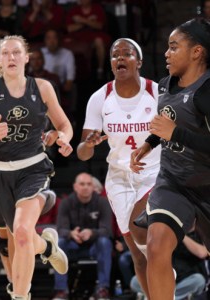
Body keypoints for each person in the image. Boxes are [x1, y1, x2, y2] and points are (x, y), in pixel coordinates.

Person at [0, 35, 73, 300]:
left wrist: (63, 138)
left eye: (16, 53)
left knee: (21, 232)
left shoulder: (42, 87)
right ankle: (46, 246)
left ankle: (21, 296)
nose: (11, 57)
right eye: (6, 53)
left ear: (26, 58)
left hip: (33, 169)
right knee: (18, 238)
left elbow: (64, 125)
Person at [130, 18, 210, 300]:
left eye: (174, 47)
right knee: (156, 246)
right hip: (174, 182)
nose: (167, 53)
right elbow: (168, 123)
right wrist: (149, 144)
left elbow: (176, 130)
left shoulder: (206, 90)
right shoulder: (165, 85)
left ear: (197, 52)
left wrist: (175, 134)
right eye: (167, 47)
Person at [78, 38, 159, 298]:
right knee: (137, 254)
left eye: (127, 54)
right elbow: (82, 153)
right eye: (115, 55)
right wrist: (89, 144)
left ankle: (166, 272)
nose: (120, 58)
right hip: (119, 178)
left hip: (154, 173)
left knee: (139, 228)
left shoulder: (157, 93)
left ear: (140, 61)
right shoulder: (100, 98)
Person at [52, 173, 114, 300]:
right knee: (59, 243)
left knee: (105, 242)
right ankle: (61, 291)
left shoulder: (102, 202)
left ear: (93, 187)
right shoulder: (66, 203)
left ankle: (103, 289)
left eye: (89, 184)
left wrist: (91, 233)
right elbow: (60, 230)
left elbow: (107, 230)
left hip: (94, 247)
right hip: (73, 245)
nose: (85, 187)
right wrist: (71, 233)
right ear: (75, 186)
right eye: (82, 184)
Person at [129, 232, 207, 300]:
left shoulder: (199, 233)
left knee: (199, 281)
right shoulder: (165, 233)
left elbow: (202, 253)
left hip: (184, 279)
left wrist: (182, 234)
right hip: (164, 277)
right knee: (135, 281)